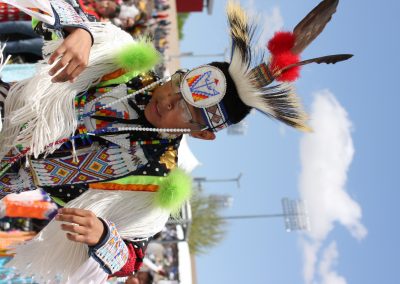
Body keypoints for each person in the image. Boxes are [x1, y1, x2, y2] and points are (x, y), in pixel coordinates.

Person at [0, 0, 351, 282]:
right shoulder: (128, 65)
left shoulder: (155, 181)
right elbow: (74, 14)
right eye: (180, 85)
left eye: (189, 112)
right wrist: (83, 32)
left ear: (202, 133)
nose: (169, 101)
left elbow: (131, 259)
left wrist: (103, 235)